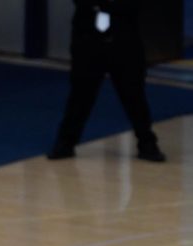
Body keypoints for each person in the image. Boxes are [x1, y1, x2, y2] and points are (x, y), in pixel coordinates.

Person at [47, 0, 166, 162]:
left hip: (124, 39)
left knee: (133, 94)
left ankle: (147, 143)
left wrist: (103, 4)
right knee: (80, 94)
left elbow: (135, 5)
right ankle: (65, 142)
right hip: (87, 37)